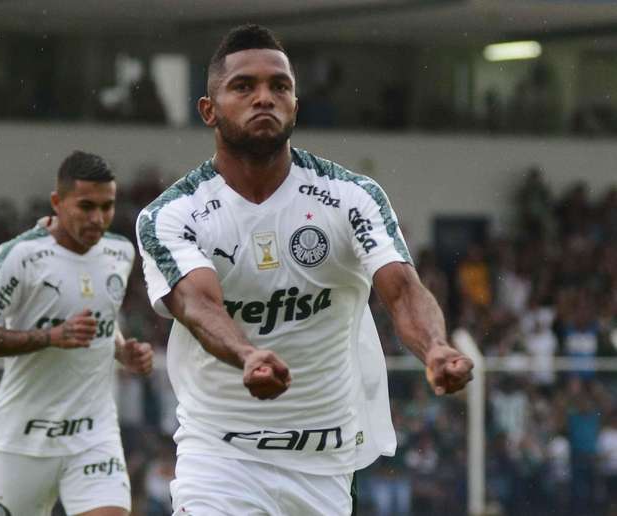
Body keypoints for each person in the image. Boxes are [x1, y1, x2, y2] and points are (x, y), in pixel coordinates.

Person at [136, 24, 473, 515]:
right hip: (222, 456)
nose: (265, 98)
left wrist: (435, 346)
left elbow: (401, 290)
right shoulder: (173, 213)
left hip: (326, 462)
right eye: (244, 86)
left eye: (280, 86)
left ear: (296, 104)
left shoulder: (351, 196)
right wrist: (248, 355)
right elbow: (196, 303)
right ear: (209, 110)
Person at [0, 151, 153, 516]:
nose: (98, 219)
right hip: (25, 440)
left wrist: (121, 350)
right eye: (86, 206)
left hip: (93, 434)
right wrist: (50, 337)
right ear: (57, 202)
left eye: (107, 206)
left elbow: (104, 317)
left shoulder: (120, 251)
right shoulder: (20, 256)